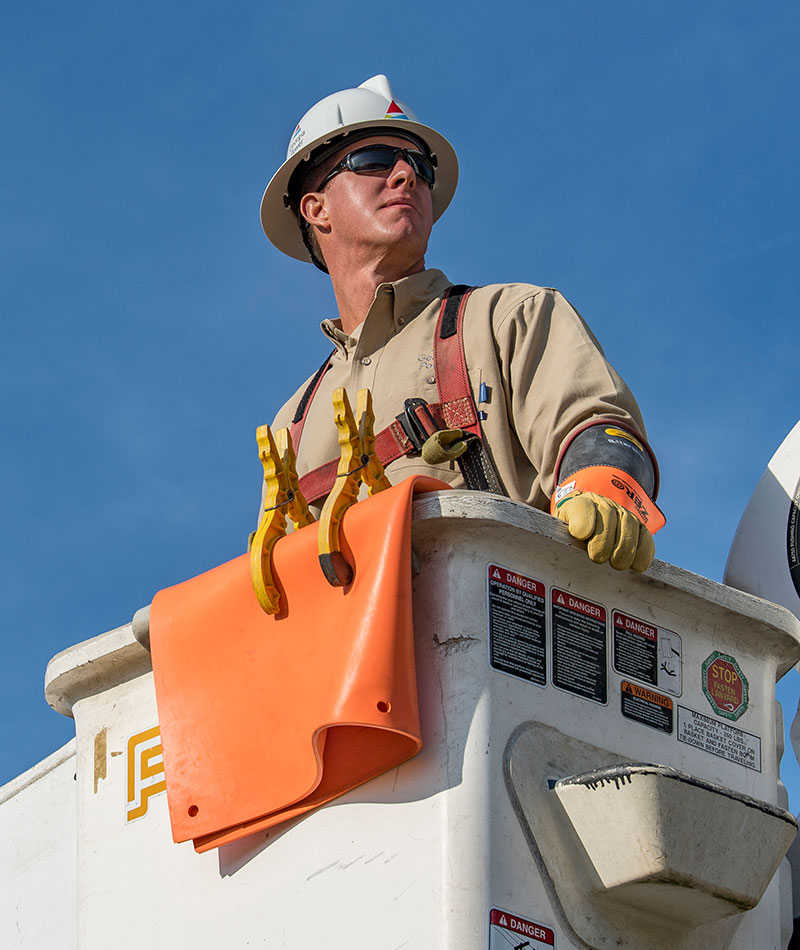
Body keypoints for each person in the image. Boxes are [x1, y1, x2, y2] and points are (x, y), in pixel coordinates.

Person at [258, 75, 664, 572]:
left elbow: (596, 428)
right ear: (315, 208)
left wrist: (604, 489)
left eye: (420, 166)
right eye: (375, 161)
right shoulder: (291, 427)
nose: (407, 175)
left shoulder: (507, 318)